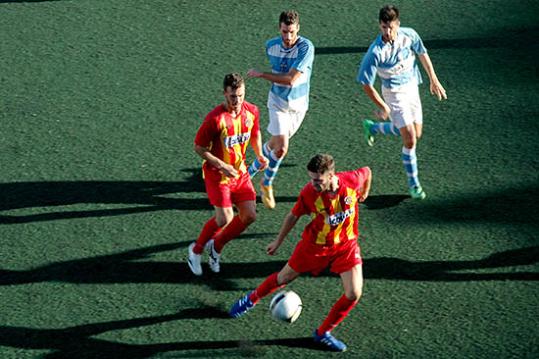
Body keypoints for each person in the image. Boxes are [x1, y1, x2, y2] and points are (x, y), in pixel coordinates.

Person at [230, 154, 372, 352]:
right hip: (314, 247)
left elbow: (367, 171)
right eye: (311, 178)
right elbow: (293, 216)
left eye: (318, 180)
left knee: (353, 293)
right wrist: (278, 241)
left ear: (331, 175)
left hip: (346, 246)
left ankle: (322, 333)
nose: (313, 183)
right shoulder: (310, 192)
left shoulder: (351, 180)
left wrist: (364, 192)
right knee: (283, 277)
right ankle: (251, 299)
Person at [357, 4, 447, 200]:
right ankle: (414, 185)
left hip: (412, 87)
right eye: (383, 27)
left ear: (398, 24)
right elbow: (366, 83)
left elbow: (422, 52)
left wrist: (433, 78)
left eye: (390, 27)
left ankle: (374, 128)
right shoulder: (375, 52)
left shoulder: (409, 35)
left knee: (416, 132)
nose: (387, 32)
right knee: (410, 139)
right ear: (379, 26)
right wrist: (383, 105)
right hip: (394, 93)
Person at [188, 73, 268, 276]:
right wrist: (221, 165)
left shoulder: (252, 112)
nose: (237, 101)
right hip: (218, 175)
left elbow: (255, 133)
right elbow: (199, 147)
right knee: (224, 218)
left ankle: (216, 247)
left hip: (240, 174)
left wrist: (259, 155)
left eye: (240, 95)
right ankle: (196, 250)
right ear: (224, 94)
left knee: (249, 216)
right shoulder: (215, 119)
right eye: (233, 96)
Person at [246, 10, 315, 209]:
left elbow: (292, 80)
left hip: (299, 106)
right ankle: (266, 183)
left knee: (274, 144)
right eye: (285, 32)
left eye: (292, 32)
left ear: (298, 29)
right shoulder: (271, 47)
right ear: (279, 29)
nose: (288, 37)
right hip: (277, 103)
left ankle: (249, 171)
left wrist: (261, 75)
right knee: (282, 148)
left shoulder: (306, 48)